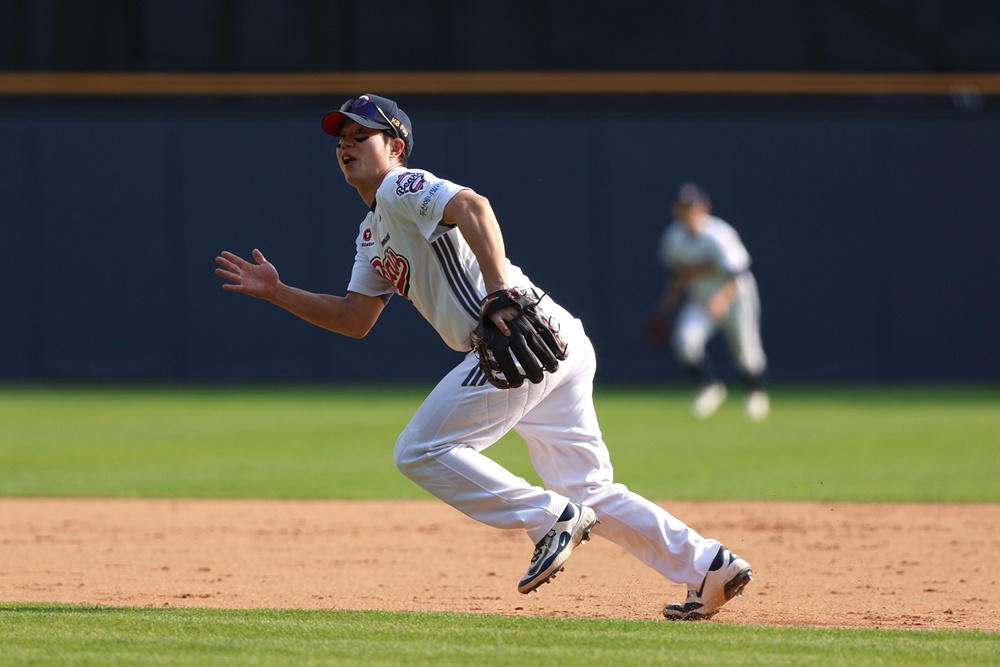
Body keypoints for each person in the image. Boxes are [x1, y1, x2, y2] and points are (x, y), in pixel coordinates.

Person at [215, 94, 753, 620]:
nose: (347, 145)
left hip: (512, 335)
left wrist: (500, 291)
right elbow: (356, 318)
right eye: (342, 137)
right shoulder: (371, 231)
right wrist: (278, 292)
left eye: (363, 135)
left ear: (395, 146)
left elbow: (473, 206)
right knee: (589, 490)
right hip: (552, 337)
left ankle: (549, 517)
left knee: (420, 450)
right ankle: (708, 564)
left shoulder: (401, 186)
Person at [649, 183, 770, 421]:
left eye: (692, 207)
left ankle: (755, 393)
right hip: (702, 299)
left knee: (745, 351)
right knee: (685, 342)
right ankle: (709, 386)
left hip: (736, 297)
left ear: (704, 207)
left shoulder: (719, 234)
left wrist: (721, 301)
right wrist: (666, 309)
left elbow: (738, 275)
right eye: (682, 207)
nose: (688, 212)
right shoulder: (674, 237)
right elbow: (678, 276)